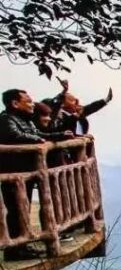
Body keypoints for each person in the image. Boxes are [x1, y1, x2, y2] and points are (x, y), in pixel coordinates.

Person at [0, 89, 73, 253]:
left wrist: (60, 135)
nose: (32, 105)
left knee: (22, 208)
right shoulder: (6, 119)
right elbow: (14, 136)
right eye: (29, 101)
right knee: (15, 209)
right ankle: (15, 250)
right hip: (13, 173)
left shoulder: (25, 120)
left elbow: (39, 133)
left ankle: (22, 245)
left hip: (23, 173)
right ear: (15, 103)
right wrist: (37, 140)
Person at [47, 78, 113, 135]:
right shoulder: (59, 114)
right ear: (63, 103)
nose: (76, 103)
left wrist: (107, 100)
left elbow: (92, 107)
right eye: (71, 100)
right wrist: (64, 91)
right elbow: (54, 104)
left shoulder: (79, 113)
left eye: (75, 101)